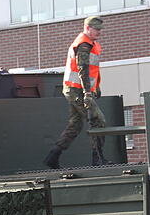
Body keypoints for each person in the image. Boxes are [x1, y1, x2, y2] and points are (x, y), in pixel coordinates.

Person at [45, 16, 108, 169]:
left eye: (100, 29)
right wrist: (88, 93)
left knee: (76, 125)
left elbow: (91, 70)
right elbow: (83, 70)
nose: (99, 32)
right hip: (77, 91)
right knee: (98, 120)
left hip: (75, 90)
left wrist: (95, 88)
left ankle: (52, 157)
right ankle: (97, 159)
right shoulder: (84, 44)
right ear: (87, 28)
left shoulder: (89, 43)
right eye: (96, 29)